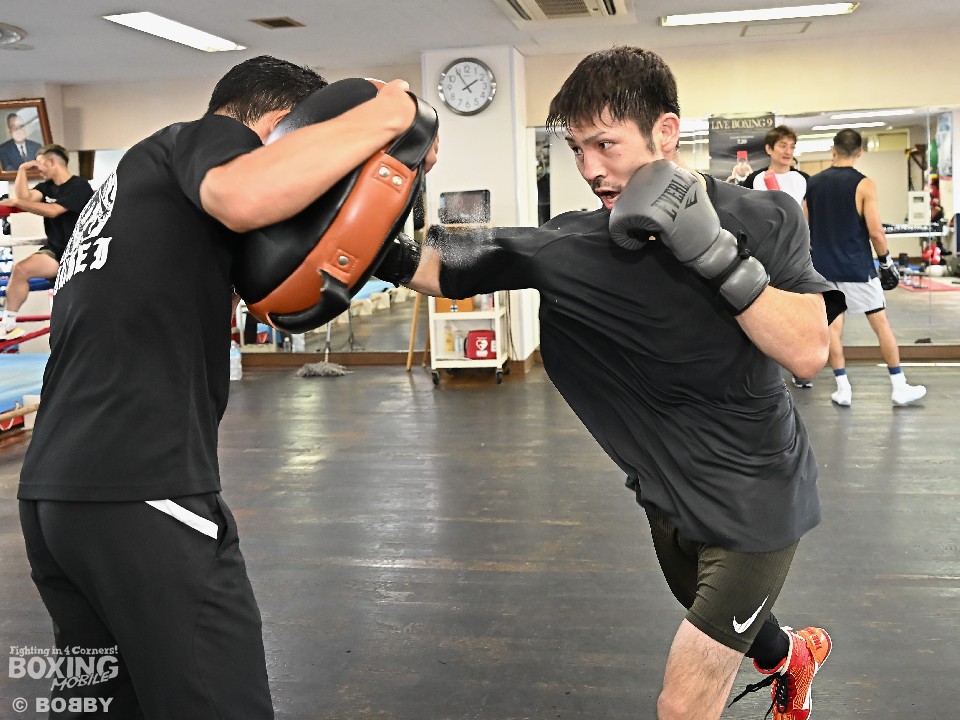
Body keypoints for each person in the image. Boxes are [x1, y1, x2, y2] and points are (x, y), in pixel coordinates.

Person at [376, 46, 844, 720]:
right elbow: (436, 262)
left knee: (684, 703)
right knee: (741, 625)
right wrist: (377, 200)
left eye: (605, 144)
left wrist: (715, 255)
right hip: (665, 495)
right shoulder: (573, 246)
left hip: (757, 496)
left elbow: (808, 351)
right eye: (576, 149)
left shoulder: (765, 219)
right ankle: (795, 656)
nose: (590, 168)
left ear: (665, 131)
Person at [17, 55, 432, 718]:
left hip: (56, 498)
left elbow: (312, 260)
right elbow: (246, 194)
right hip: (141, 490)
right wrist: (395, 116)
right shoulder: (205, 139)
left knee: (105, 703)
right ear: (280, 123)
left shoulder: (139, 195)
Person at [804, 128, 926, 407]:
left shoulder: (813, 184)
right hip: (857, 268)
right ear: (859, 153)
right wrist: (886, 262)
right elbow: (876, 232)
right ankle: (899, 386)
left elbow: (804, 224)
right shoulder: (865, 184)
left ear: (833, 150)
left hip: (824, 270)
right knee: (881, 324)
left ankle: (843, 388)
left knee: (833, 328)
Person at [742, 125, 815, 389]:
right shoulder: (756, 180)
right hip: (764, 253)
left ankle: (798, 367)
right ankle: (763, 369)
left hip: (796, 254)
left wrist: (805, 245)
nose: (788, 151)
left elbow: (805, 215)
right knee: (764, 309)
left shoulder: (802, 179)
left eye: (792, 146)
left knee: (797, 310)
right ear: (769, 149)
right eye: (782, 145)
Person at [1, 144, 93, 338]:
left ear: (52, 162)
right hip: (55, 250)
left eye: (40, 164)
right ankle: (8, 326)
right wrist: (21, 170)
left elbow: (54, 211)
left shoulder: (79, 186)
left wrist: (16, 202)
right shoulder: (47, 187)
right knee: (20, 269)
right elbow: (25, 197)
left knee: (82, 313)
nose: (38, 170)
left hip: (78, 255)